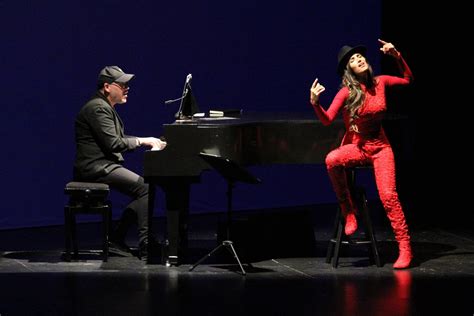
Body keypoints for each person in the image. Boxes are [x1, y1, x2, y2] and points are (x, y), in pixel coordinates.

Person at [309, 39, 414, 269]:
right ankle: (348, 209)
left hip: (381, 149)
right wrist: (315, 103)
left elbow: (408, 79)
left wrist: (397, 55)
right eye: (354, 60)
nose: (359, 59)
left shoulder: (381, 82)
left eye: (360, 57)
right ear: (350, 70)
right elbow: (327, 120)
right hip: (357, 147)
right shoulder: (346, 92)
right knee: (332, 159)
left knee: (388, 196)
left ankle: (405, 247)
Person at [73, 65, 167, 261]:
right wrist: (143, 141)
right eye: (122, 84)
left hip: (103, 164)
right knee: (145, 188)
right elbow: (114, 143)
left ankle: (117, 239)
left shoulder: (103, 106)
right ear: (107, 87)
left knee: (144, 188)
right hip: (95, 167)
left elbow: (117, 138)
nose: (126, 88)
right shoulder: (97, 108)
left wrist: (147, 140)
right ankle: (145, 245)